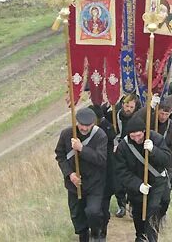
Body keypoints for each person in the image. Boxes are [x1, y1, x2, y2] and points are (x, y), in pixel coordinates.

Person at [114, 115, 171, 242]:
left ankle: (151, 238)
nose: (136, 139)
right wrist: (137, 185)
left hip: (157, 182)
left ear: (144, 131)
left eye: (139, 135)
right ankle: (141, 237)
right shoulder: (123, 147)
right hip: (137, 187)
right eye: (132, 136)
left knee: (153, 210)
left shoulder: (156, 138)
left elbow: (166, 160)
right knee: (139, 217)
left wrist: (153, 150)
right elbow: (121, 171)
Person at [55, 107, 108, 242]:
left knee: (93, 212)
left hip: (94, 183)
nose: (84, 128)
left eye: (87, 125)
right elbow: (60, 156)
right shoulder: (66, 134)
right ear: (76, 122)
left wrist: (82, 149)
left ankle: (96, 234)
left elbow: (101, 159)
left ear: (93, 124)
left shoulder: (100, 135)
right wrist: (70, 174)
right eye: (81, 125)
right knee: (77, 216)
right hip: (74, 184)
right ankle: (83, 237)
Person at [134, 96, 172, 223]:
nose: (163, 116)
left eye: (166, 114)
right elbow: (135, 119)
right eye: (161, 113)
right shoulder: (148, 120)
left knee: (165, 198)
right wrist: (148, 108)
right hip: (145, 163)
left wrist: (166, 164)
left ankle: (161, 215)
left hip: (164, 166)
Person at [111, 93, 141, 218]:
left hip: (133, 150)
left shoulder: (139, 118)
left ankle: (133, 205)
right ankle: (121, 204)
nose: (128, 109)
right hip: (118, 149)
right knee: (118, 178)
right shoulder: (116, 114)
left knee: (132, 177)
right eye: (126, 105)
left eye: (131, 107)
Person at [89, 105, 116, 240]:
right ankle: (94, 231)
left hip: (106, 174)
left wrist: (104, 121)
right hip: (90, 176)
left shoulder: (105, 127)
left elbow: (113, 135)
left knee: (104, 207)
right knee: (92, 210)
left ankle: (102, 231)